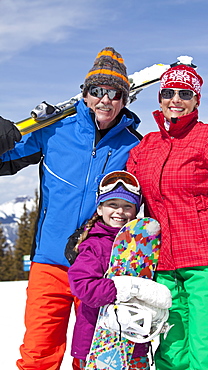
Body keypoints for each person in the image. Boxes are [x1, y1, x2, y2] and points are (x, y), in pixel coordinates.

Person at [0, 47, 143, 370]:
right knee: (39, 353)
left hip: (99, 266)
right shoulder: (53, 131)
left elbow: (163, 188)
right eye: (97, 91)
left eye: (115, 93)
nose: (105, 100)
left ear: (125, 100)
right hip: (49, 261)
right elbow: (4, 157)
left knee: (96, 355)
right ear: (85, 93)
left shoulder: (135, 145)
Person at [127, 58, 208, 370]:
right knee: (171, 356)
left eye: (184, 93)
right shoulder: (145, 147)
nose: (175, 100)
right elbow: (126, 195)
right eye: (168, 93)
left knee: (206, 356)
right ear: (160, 98)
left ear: (196, 100)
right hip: (163, 266)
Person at [68, 170, 151, 369]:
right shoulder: (93, 245)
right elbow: (83, 286)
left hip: (133, 344)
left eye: (127, 206)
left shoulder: (142, 247)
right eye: (112, 205)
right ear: (99, 209)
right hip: (95, 343)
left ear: (136, 210)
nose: (119, 212)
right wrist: (122, 289)